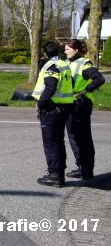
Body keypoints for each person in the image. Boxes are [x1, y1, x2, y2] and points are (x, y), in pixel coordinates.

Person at [32, 41, 74, 187]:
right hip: (63, 108)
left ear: (45, 54)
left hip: (51, 109)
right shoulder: (64, 64)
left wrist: (40, 103)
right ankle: (59, 174)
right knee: (58, 142)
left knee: (51, 144)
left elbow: (50, 87)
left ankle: (54, 175)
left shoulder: (52, 67)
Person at [64, 39, 105, 181]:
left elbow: (99, 79)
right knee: (76, 137)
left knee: (81, 137)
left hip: (80, 105)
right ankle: (83, 168)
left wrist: (85, 91)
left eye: (67, 49)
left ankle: (85, 169)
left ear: (76, 50)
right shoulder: (70, 62)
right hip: (73, 104)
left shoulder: (84, 64)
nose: (65, 51)